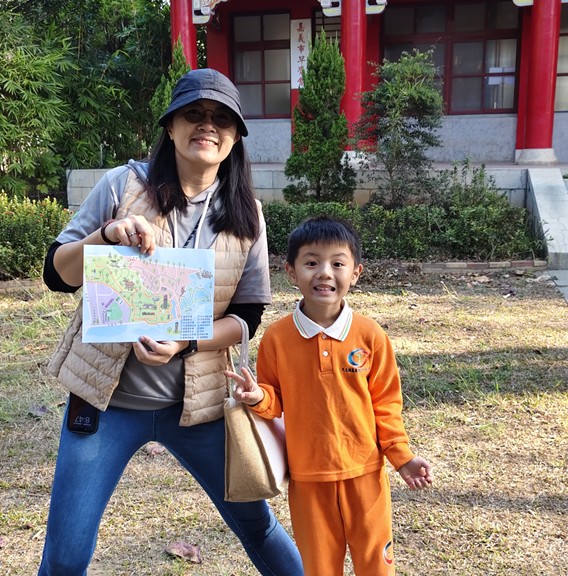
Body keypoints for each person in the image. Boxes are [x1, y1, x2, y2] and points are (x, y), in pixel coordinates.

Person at [37, 68, 303, 576]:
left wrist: (185, 343)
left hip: (200, 407)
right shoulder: (122, 185)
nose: (208, 126)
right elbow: (57, 274)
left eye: (222, 119)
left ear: (235, 137)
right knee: (66, 556)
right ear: (170, 126)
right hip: (107, 403)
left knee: (258, 527)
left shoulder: (246, 213)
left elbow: (247, 317)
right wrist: (106, 236)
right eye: (194, 113)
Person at [226, 216, 433, 576]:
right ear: (291, 272)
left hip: (365, 475)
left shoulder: (370, 335)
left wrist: (402, 458)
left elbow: (387, 405)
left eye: (337, 263)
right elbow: (275, 401)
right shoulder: (277, 338)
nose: (324, 273)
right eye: (312, 262)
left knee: (376, 566)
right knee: (318, 568)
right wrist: (257, 396)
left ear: (355, 273)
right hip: (308, 479)